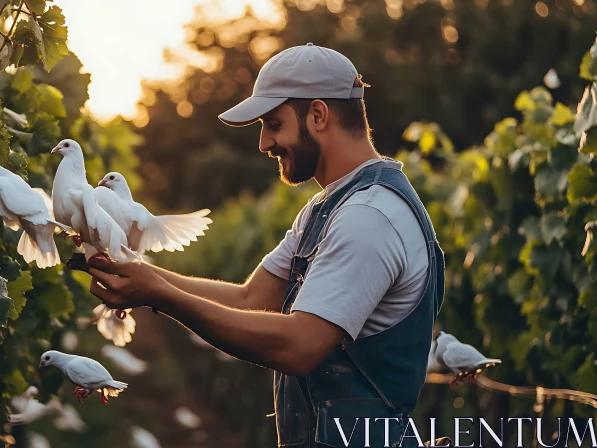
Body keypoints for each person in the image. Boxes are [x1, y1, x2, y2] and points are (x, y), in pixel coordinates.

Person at [87, 43, 446, 448]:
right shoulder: (326, 208)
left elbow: (300, 346)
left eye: (274, 124)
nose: (263, 144)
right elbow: (250, 297)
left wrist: (158, 295)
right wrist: (142, 275)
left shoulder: (368, 216)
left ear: (318, 115)